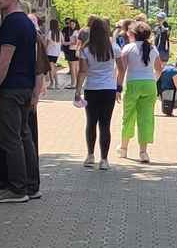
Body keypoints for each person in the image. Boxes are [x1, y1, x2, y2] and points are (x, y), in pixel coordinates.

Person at [0, 0, 40, 204]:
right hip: (24, 87)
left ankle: (18, 189)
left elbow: (5, 60)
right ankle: (31, 185)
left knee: (11, 139)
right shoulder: (26, 22)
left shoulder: (12, 23)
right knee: (24, 135)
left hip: (11, 88)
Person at [73, 16, 119, 169]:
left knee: (91, 122)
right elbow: (122, 66)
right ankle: (104, 160)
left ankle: (90, 155)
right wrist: (119, 84)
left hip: (92, 89)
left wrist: (77, 91)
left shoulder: (86, 49)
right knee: (105, 124)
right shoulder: (114, 48)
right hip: (109, 89)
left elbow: (82, 71)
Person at [117, 20, 159, 162]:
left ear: (133, 34)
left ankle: (123, 149)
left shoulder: (128, 48)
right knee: (146, 117)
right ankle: (143, 152)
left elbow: (121, 70)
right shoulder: (153, 49)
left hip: (133, 84)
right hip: (149, 84)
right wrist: (154, 80)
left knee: (128, 116)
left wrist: (118, 87)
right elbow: (159, 69)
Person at [60, 19, 79, 88]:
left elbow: (76, 42)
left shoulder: (75, 32)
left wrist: (66, 43)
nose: (71, 26)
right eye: (71, 24)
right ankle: (75, 83)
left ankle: (73, 83)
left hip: (72, 50)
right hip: (75, 50)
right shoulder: (76, 31)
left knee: (73, 68)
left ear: (76, 24)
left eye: (73, 24)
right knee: (75, 68)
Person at [45, 18, 62, 89]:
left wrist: (44, 50)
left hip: (50, 52)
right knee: (53, 67)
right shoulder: (59, 33)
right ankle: (57, 83)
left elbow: (47, 43)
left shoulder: (50, 32)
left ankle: (52, 83)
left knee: (51, 68)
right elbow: (62, 42)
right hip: (56, 53)